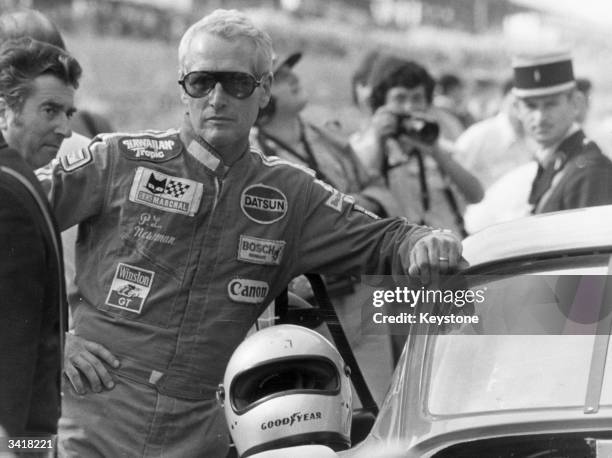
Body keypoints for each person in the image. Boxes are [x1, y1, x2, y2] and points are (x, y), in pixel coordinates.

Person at [36, 9, 463, 457]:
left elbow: (386, 240)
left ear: (264, 91)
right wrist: (50, 339)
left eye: (236, 83)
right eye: (201, 82)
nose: (217, 98)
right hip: (87, 414)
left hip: (204, 428)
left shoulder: (291, 194)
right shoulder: (117, 160)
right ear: (183, 88)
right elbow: (12, 225)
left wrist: (425, 242)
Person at [251, 51, 399, 403]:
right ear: (261, 92)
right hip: (304, 302)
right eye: (280, 74)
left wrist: (351, 205)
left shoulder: (326, 136)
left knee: (381, 406)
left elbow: (382, 192)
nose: (293, 77)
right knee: (323, 408)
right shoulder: (250, 154)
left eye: (291, 71)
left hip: (360, 290)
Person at [0, 36, 78, 438]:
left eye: (68, 113)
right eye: (50, 110)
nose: (65, 128)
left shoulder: (14, 181)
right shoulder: (10, 189)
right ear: (4, 109)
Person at [351, 55, 484, 238]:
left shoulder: (440, 149)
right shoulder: (360, 149)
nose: (409, 107)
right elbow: (358, 204)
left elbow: (476, 194)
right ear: (382, 103)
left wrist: (436, 153)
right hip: (400, 256)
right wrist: (379, 143)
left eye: (417, 98)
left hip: (452, 248)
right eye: (400, 98)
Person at [512, 51, 612, 214]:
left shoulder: (591, 169)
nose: (540, 118)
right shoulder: (555, 159)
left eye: (551, 104)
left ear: (576, 103)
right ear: (517, 109)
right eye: (531, 106)